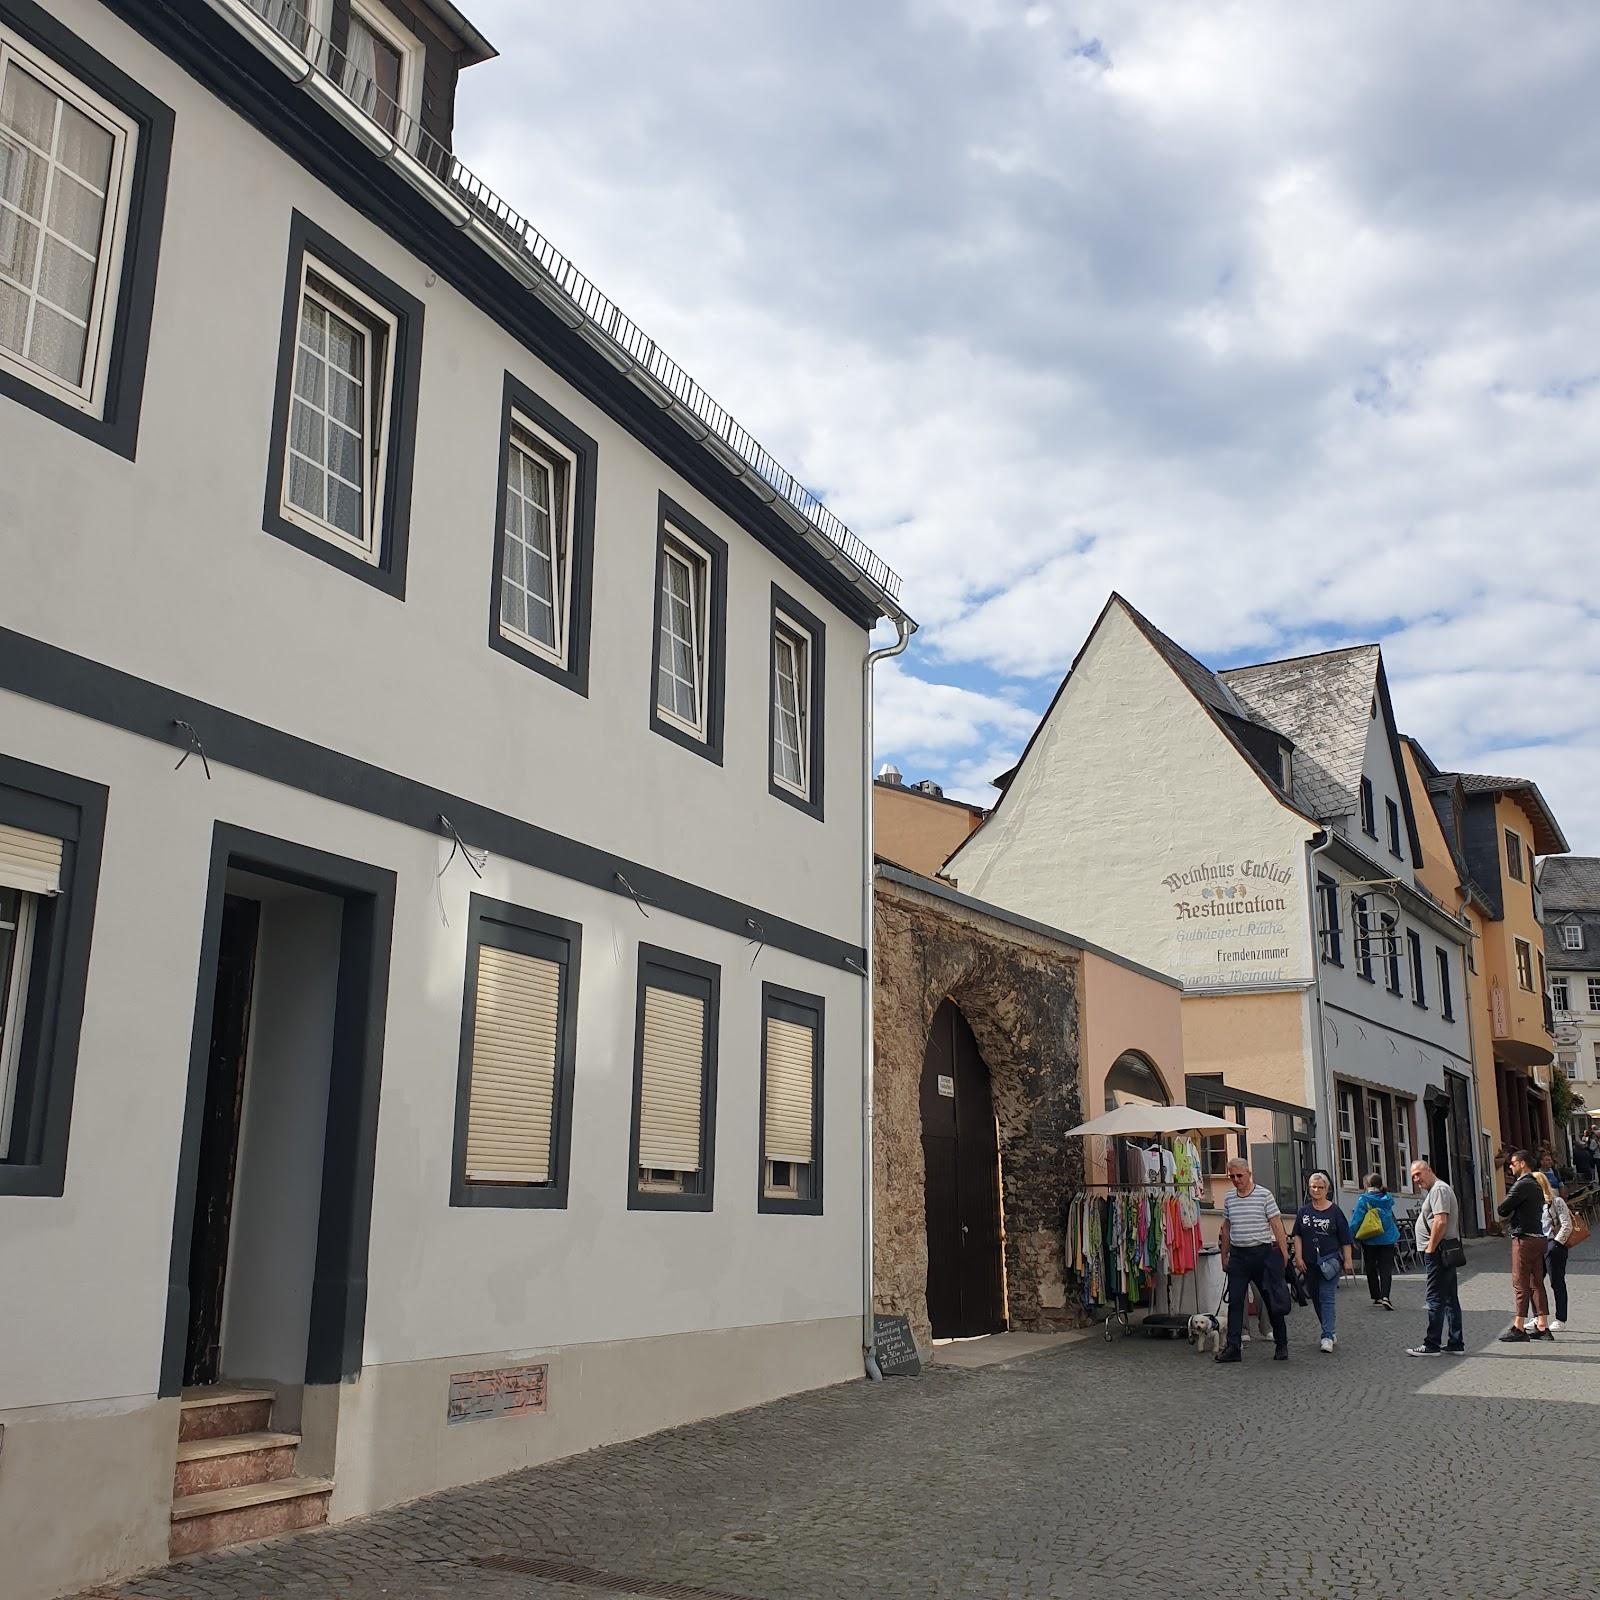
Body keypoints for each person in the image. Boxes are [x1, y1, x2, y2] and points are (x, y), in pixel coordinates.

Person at [1216, 1158, 1291, 1364]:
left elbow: (1276, 1224)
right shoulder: (1230, 1198)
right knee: (1236, 1302)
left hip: (1262, 1254)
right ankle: (1233, 1347)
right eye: (1232, 1176)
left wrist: (1283, 1253)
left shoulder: (1264, 1195)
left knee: (1270, 1300)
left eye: (1239, 1175)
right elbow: (1227, 1228)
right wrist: (1224, 1256)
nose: (1236, 1180)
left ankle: (1281, 1343)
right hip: (1239, 1256)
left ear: (1249, 1173)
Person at [1405, 1159, 1465, 1357]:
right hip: (1441, 1250)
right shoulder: (1436, 1190)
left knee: (1434, 1298)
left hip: (1438, 1251)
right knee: (1449, 1297)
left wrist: (1430, 1248)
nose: (1415, 1179)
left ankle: (1431, 1344)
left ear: (1429, 1170)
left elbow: (1440, 1220)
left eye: (1418, 1174)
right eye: (1412, 1176)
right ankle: (1456, 1342)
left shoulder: (1439, 1189)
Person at [1290, 1171, 1354, 1352]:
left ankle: (1327, 1335)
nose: (1316, 1190)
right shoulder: (1304, 1211)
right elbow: (1298, 1235)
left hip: (1330, 1261)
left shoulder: (1335, 1211)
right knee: (1316, 1297)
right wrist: (1299, 1257)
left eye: (1320, 1187)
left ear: (1327, 1189)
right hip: (1309, 1263)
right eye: (1313, 1187)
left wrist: (1348, 1260)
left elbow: (1345, 1238)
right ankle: (1329, 1329)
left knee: (1327, 1297)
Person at [1496, 1149, 1553, 1342]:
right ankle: (1542, 1325)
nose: (1510, 1166)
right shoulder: (1536, 1184)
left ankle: (1519, 1326)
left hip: (1524, 1238)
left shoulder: (1522, 1184)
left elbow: (1503, 1209)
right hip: (1539, 1237)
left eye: (1512, 1163)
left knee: (1520, 1282)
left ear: (1522, 1164)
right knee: (1536, 1282)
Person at [1348, 1172, 1400, 1309]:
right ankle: (1385, 1296)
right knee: (1386, 1269)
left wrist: (1351, 1235)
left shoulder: (1364, 1199)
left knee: (1371, 1268)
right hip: (1388, 1238)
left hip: (1370, 1239)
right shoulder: (1388, 1198)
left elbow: (1356, 1219)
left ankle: (1376, 1296)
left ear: (1367, 1185)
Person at [1539, 1169, 1575, 1331]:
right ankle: (1538, 1317)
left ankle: (1561, 1318)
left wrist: (1556, 1243)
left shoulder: (1556, 1201)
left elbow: (1567, 1224)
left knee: (1557, 1282)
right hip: (1538, 1246)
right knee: (1535, 1283)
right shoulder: (1533, 1204)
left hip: (1554, 1246)